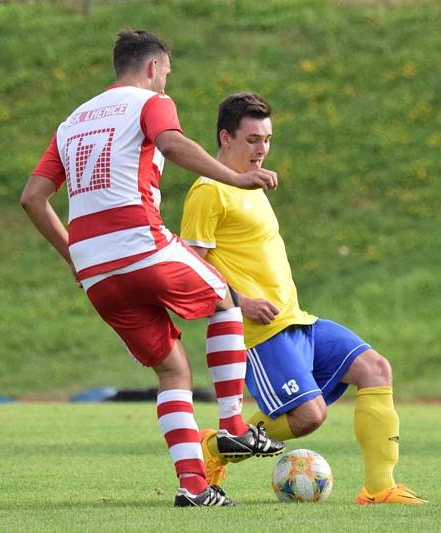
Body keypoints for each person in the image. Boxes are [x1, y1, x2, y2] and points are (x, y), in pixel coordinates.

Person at [21, 33, 285, 508]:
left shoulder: (71, 122)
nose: (166, 79)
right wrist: (238, 178)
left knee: (172, 370)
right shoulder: (151, 101)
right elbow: (173, 144)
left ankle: (194, 488)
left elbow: (32, 197)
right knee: (224, 298)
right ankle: (232, 426)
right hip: (140, 242)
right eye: (166, 72)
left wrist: (76, 256)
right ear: (152, 67)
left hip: (96, 272)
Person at [180, 92, 426, 505]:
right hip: (260, 332)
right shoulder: (208, 191)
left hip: (297, 320)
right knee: (309, 417)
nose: (262, 150)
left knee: (376, 369)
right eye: (252, 139)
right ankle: (215, 447)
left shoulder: (252, 186)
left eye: (268, 139)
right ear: (226, 137)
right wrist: (239, 301)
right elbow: (189, 267)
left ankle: (379, 489)